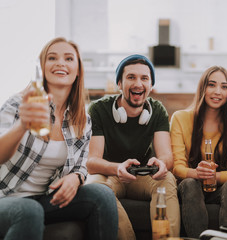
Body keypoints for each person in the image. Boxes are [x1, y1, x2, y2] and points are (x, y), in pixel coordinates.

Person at [0, 37, 118, 240]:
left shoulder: (82, 120)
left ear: (78, 69)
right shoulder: (18, 104)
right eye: (52, 58)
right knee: (29, 210)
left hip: (44, 200)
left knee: (103, 195)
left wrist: (76, 177)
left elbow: (81, 166)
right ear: (43, 67)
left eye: (69, 58)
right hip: (5, 198)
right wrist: (22, 125)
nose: (60, 63)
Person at [86, 54, 180, 239]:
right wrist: (117, 167)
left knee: (167, 179)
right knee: (95, 187)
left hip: (142, 175)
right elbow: (91, 162)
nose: (138, 83)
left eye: (144, 78)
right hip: (109, 173)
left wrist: (162, 164)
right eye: (131, 77)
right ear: (119, 84)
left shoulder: (157, 110)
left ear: (151, 85)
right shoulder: (98, 109)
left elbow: (166, 156)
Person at [170, 66, 227, 238]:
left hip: (221, 189)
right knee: (190, 184)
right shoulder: (180, 118)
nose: (217, 92)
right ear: (202, 88)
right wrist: (197, 173)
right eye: (211, 85)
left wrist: (213, 176)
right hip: (191, 187)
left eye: (224, 87)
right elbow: (177, 167)